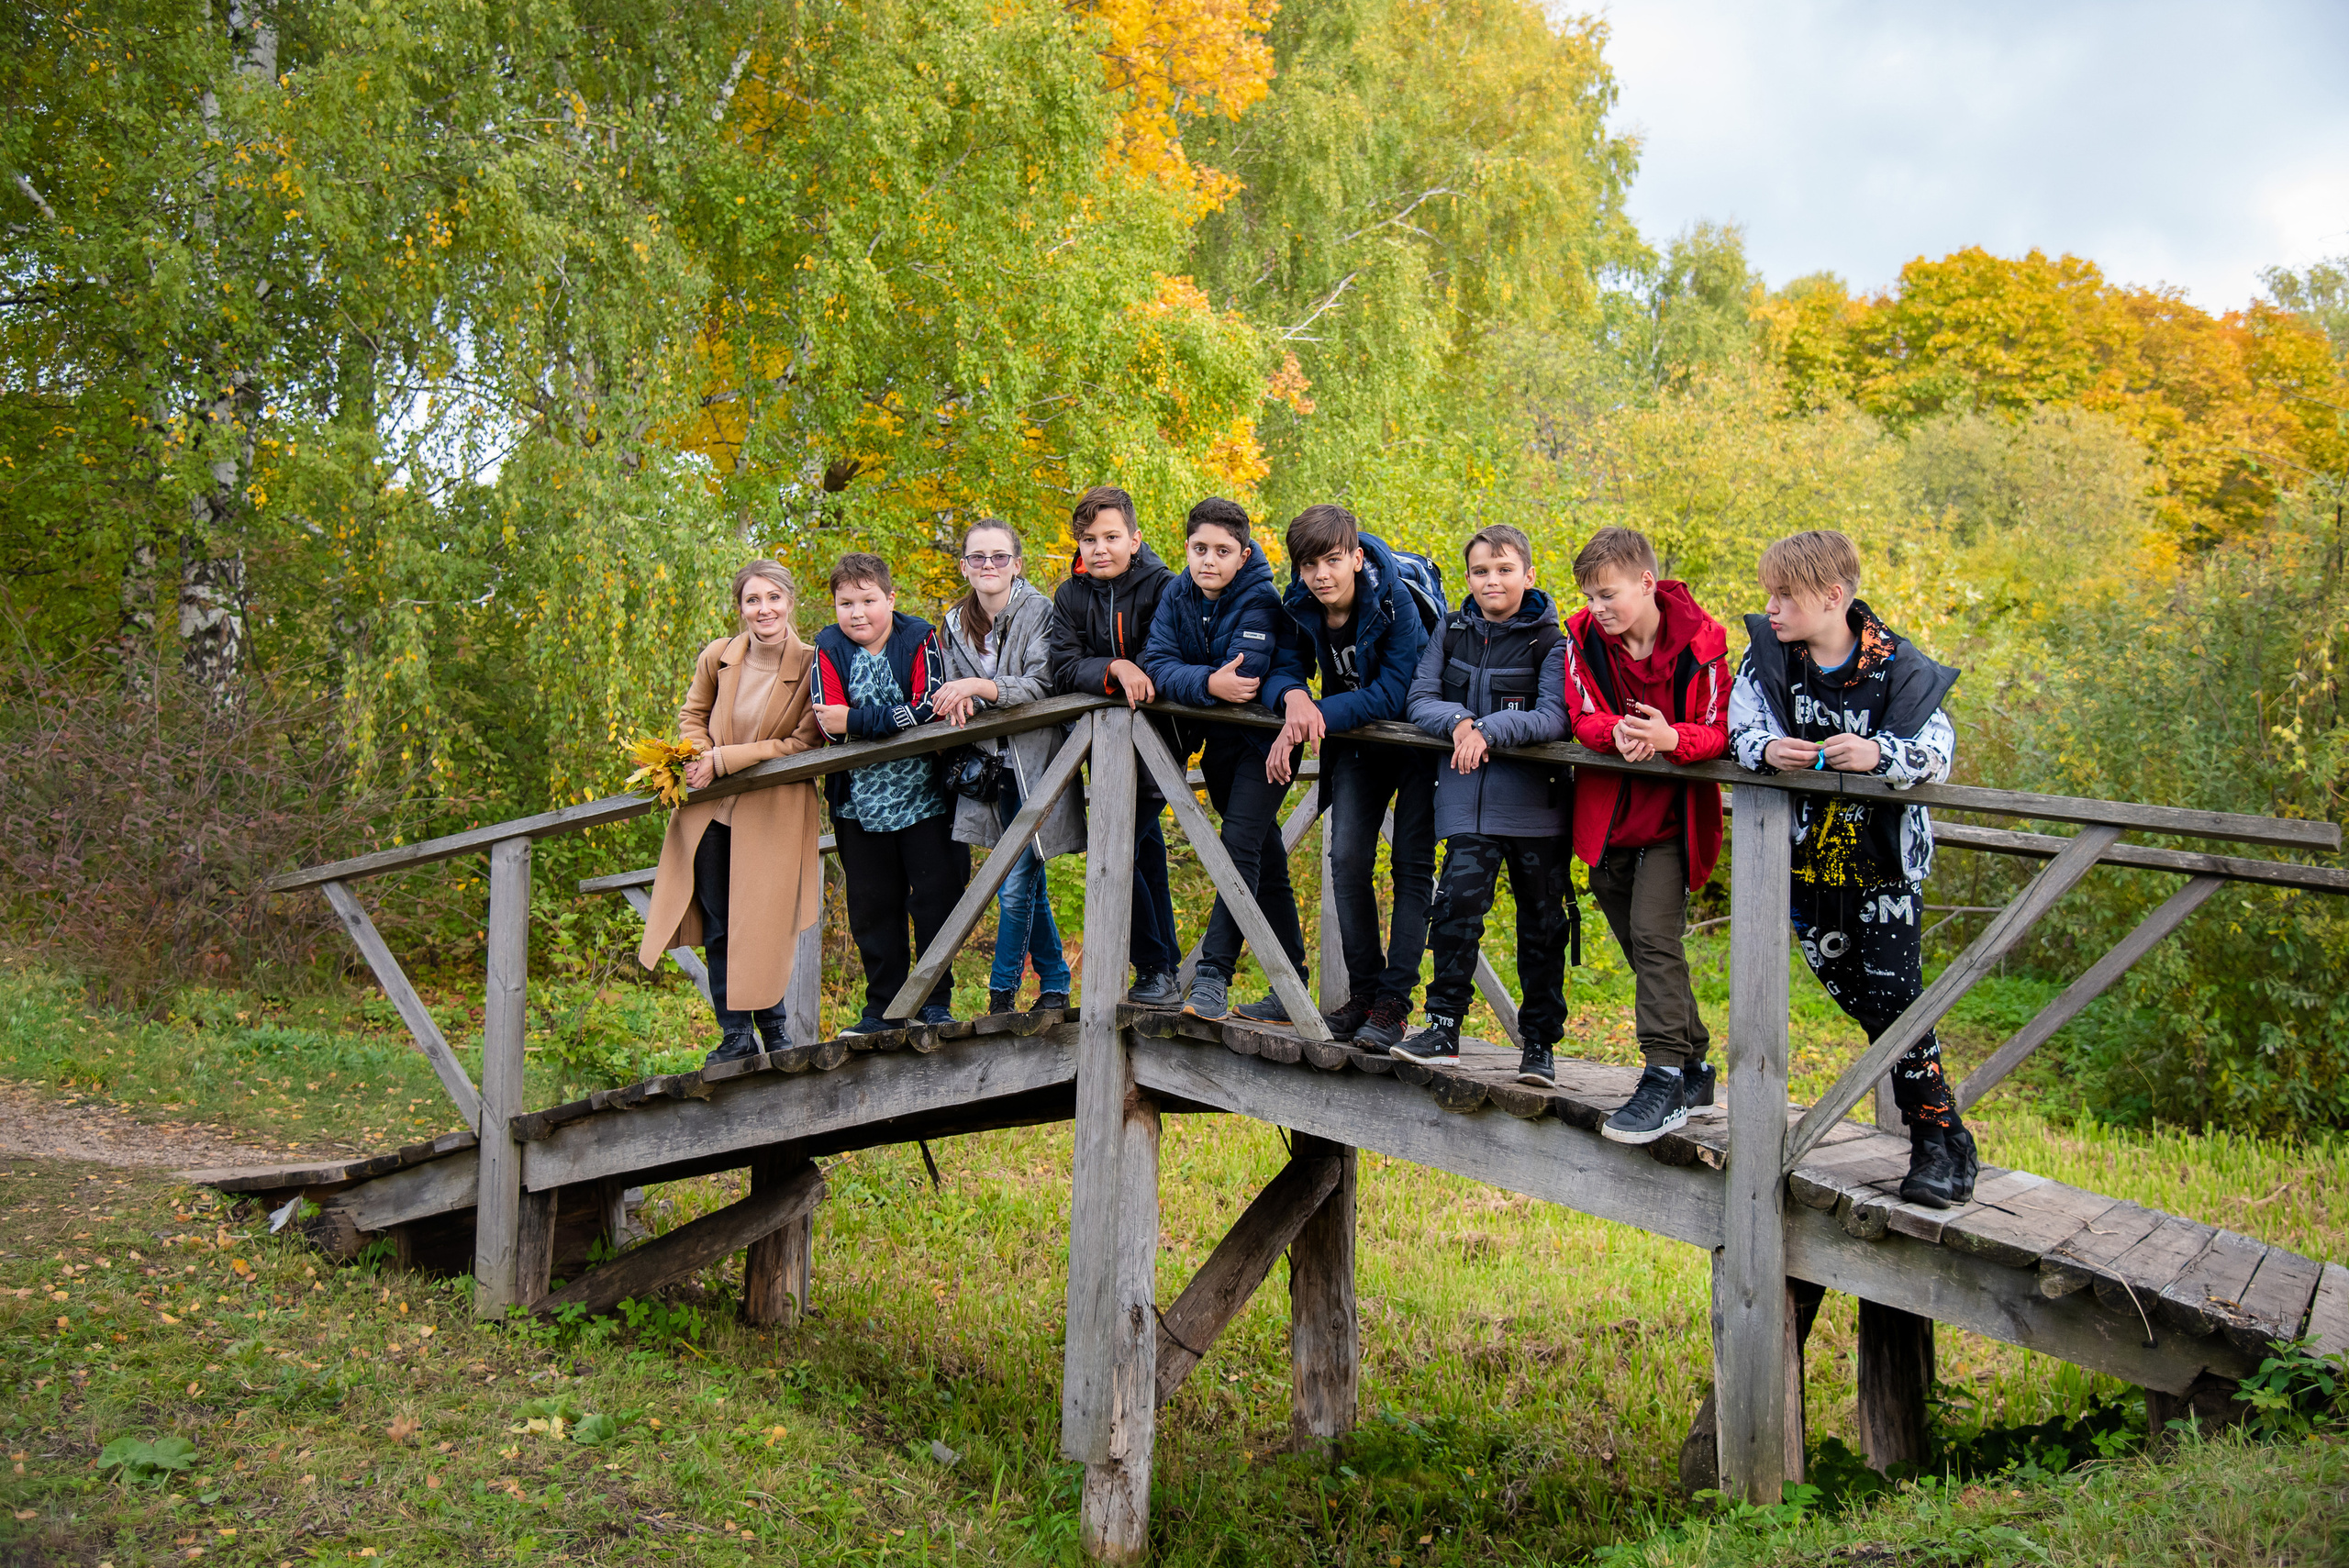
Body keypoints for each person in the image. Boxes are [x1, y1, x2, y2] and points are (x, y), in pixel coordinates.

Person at [1727, 528, 1975, 1207]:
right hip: (1806, 867)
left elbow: (1936, 751)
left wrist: (1878, 755)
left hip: (1886, 865)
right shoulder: (1771, 661)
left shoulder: (1900, 665)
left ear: (1833, 596)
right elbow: (1737, 726)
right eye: (1768, 595)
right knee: (1864, 1000)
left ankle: (1932, 1143)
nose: (1771, 609)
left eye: (1784, 596)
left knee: (1895, 998)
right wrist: (1766, 748)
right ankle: (1950, 1130)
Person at [1560, 527, 1730, 1142]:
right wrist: (1617, 734)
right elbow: (1580, 713)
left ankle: (1664, 1081)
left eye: (1608, 595)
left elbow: (1718, 731)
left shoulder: (1702, 644)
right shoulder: (1581, 638)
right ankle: (1696, 1060)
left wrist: (1670, 739)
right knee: (1640, 945)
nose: (1597, 607)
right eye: (1590, 595)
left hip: (1671, 822)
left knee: (1656, 936)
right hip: (1607, 817)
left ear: (1647, 583)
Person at [1395, 524, 1575, 1084]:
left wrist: (1489, 731)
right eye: (1480, 571)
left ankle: (1539, 1044)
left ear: (1528, 574)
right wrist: (1461, 723)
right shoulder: (1449, 630)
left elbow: (1554, 716)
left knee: (1542, 927)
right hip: (1466, 804)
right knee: (1454, 913)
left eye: (1503, 569)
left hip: (1534, 809)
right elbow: (1419, 697)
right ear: (1468, 577)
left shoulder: (1552, 641)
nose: (1491, 581)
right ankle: (1443, 1025)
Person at [1260, 503, 1440, 1050]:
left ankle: (1392, 1004)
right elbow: (1284, 666)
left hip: (1416, 743)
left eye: (1333, 560)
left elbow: (1394, 691)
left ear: (1357, 558)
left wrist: (1312, 718)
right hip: (1355, 746)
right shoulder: (1299, 603)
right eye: (1310, 565)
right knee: (1347, 861)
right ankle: (1363, 993)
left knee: (1411, 867)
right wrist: (1293, 698)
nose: (1322, 575)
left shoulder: (1396, 601)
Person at [636, 561, 828, 1065]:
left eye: (773, 598)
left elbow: (802, 744)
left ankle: (777, 1030)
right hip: (711, 812)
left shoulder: (814, 664)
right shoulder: (718, 657)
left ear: (790, 602)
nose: (763, 609)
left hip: (773, 813)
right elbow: (692, 716)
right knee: (721, 925)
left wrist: (723, 760)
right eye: (752, 600)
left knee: (764, 923)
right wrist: (699, 754)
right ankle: (737, 1033)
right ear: (739, 607)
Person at [1141, 496, 1308, 1023]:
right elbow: (1154, 660)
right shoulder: (1176, 593)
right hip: (1218, 748)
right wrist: (1207, 681)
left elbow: (1246, 675)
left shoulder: (1261, 597)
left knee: (1238, 850)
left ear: (1244, 553)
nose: (1208, 560)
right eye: (1198, 549)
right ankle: (1293, 983)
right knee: (1266, 856)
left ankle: (1213, 975)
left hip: (1268, 745)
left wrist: (1202, 679)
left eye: (1222, 551)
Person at [812, 551, 970, 1033]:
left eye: (868, 600)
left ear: (890, 597)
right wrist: (872, 722)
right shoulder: (827, 646)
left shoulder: (918, 635)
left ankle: (933, 1003)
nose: (857, 613)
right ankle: (883, 1010)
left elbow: (930, 708)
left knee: (936, 901)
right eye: (845, 603)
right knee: (872, 907)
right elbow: (828, 726)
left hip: (926, 796)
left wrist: (860, 720)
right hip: (858, 804)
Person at [1044, 484, 1185, 1006]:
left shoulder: (1164, 587)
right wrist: (1112, 668)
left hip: (1157, 748)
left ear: (1134, 538)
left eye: (1111, 536)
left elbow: (1163, 658)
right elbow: (1062, 668)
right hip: (1100, 752)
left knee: (1117, 851)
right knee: (1143, 856)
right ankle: (1163, 971)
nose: (1099, 548)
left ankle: (1151, 965)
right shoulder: (1070, 595)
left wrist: (1130, 665)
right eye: (1088, 539)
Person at [933, 518, 1079, 1016]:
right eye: (978, 558)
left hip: (1035, 763)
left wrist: (977, 690)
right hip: (987, 769)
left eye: (999, 557)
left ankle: (1000, 998)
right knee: (1023, 879)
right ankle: (1055, 982)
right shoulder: (953, 624)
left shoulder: (1041, 611)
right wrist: (958, 701)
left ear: (1016, 564)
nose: (988, 565)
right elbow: (952, 690)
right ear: (965, 567)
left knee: (1014, 882)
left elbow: (1042, 685)